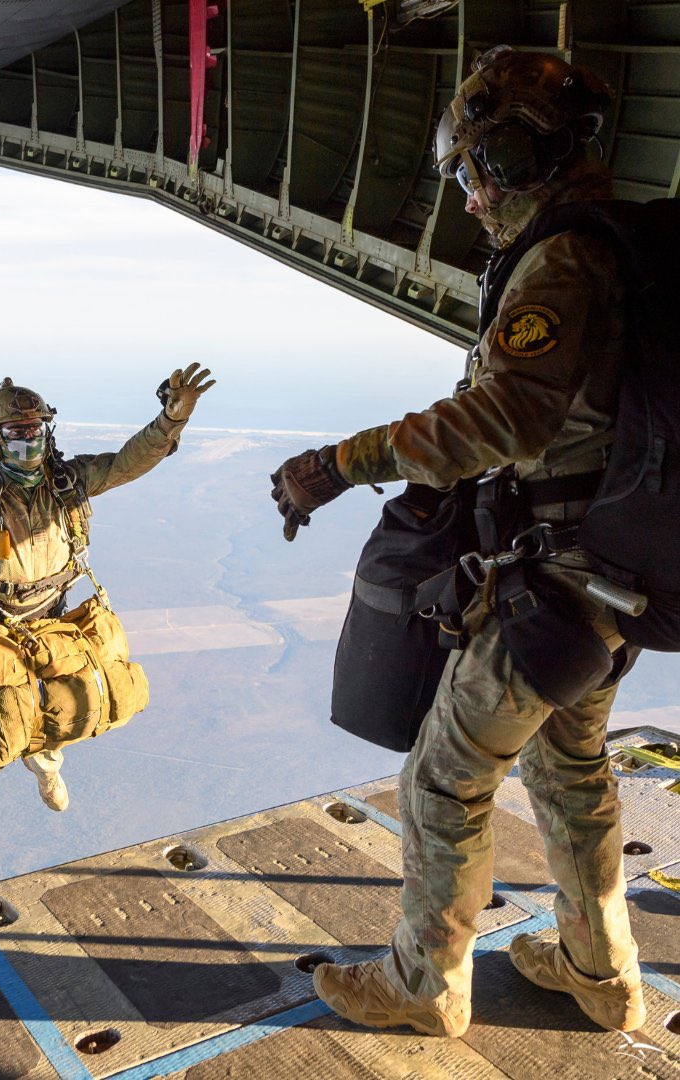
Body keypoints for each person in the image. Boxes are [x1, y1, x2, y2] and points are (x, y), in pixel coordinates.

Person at [271, 47, 646, 1036]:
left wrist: (341, 462)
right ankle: (599, 972)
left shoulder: (563, 259)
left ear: (526, 158)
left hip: (563, 582)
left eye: (484, 168)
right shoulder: (617, 242)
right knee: (570, 771)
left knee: (442, 779)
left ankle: (423, 985)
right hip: (615, 576)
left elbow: (505, 420)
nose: (471, 195)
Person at [0, 365, 214, 839]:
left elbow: (130, 461)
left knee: (66, 709)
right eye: (15, 429)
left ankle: (45, 767)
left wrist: (170, 420)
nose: (28, 436)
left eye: (35, 427)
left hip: (52, 618)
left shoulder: (67, 479)